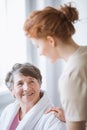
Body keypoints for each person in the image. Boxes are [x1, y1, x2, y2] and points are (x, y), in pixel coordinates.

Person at [23, 2, 87, 130]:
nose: (40, 53)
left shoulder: (71, 75)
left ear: (51, 40)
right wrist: (72, 118)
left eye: (38, 46)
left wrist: (74, 123)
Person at [0, 63, 66, 130]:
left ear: (39, 85)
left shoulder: (53, 119)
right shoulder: (7, 112)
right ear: (12, 91)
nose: (27, 88)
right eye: (20, 83)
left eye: (31, 81)